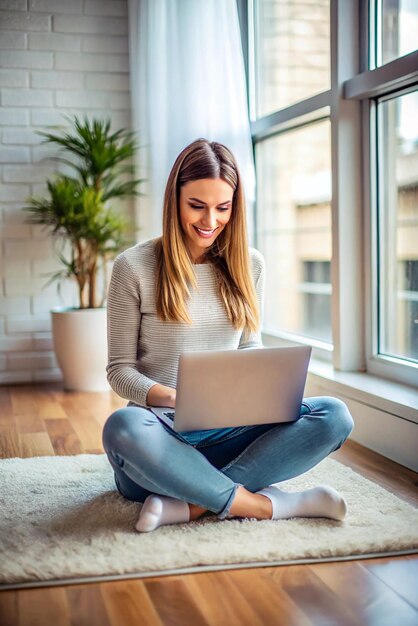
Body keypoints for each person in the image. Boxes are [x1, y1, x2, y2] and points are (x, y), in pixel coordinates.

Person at [102, 138, 354, 533]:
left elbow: (249, 347)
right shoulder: (132, 267)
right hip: (159, 438)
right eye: (197, 206)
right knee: (122, 428)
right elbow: (119, 371)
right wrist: (176, 398)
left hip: (229, 430)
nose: (210, 221)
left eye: (223, 207)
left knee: (334, 415)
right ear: (175, 201)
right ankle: (270, 505)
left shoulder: (249, 265)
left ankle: (192, 503)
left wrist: (260, 393)